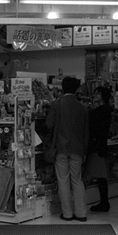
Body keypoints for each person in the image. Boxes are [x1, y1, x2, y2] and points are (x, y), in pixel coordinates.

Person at [45, 76, 89, 222]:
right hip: (78, 148)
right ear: (76, 89)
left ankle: (67, 213)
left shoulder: (56, 104)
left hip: (60, 148)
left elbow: (49, 124)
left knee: (63, 180)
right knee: (77, 180)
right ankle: (81, 213)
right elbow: (86, 131)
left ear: (62, 88)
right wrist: (84, 151)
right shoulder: (82, 107)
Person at [85, 86, 113, 212]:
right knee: (101, 175)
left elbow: (91, 121)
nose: (95, 95)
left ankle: (104, 202)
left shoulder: (101, 111)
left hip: (97, 146)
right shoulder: (106, 110)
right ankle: (104, 201)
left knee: (100, 176)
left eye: (98, 93)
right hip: (101, 145)